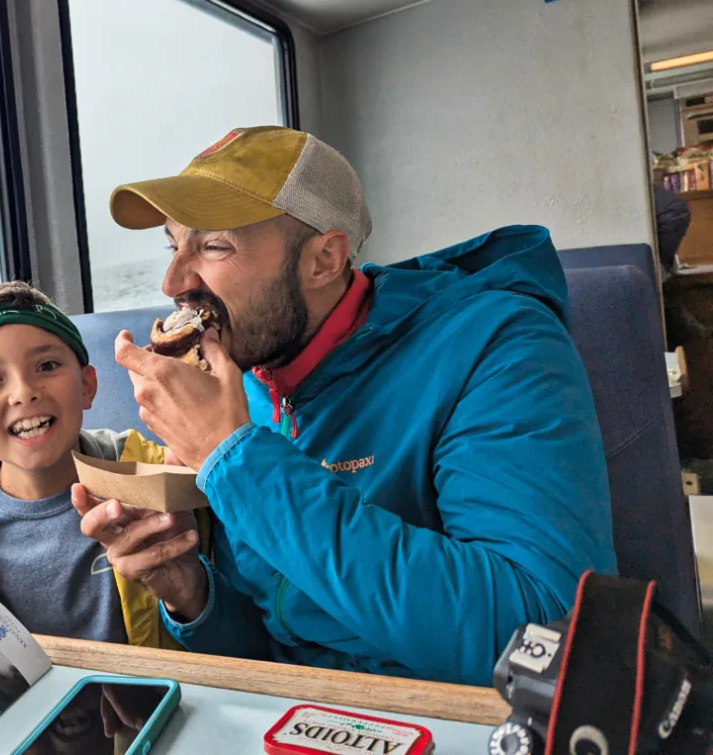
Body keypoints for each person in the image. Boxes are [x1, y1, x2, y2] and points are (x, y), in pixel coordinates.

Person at [72, 125, 617, 686]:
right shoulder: (244, 381)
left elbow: (542, 636)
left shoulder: (498, 345)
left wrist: (233, 457)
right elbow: (275, 647)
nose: (172, 281)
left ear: (324, 259)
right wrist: (192, 593)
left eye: (213, 246)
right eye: (173, 244)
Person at [0, 281, 196, 648]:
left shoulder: (160, 477)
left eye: (47, 366)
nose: (23, 392)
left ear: (86, 386)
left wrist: (190, 597)